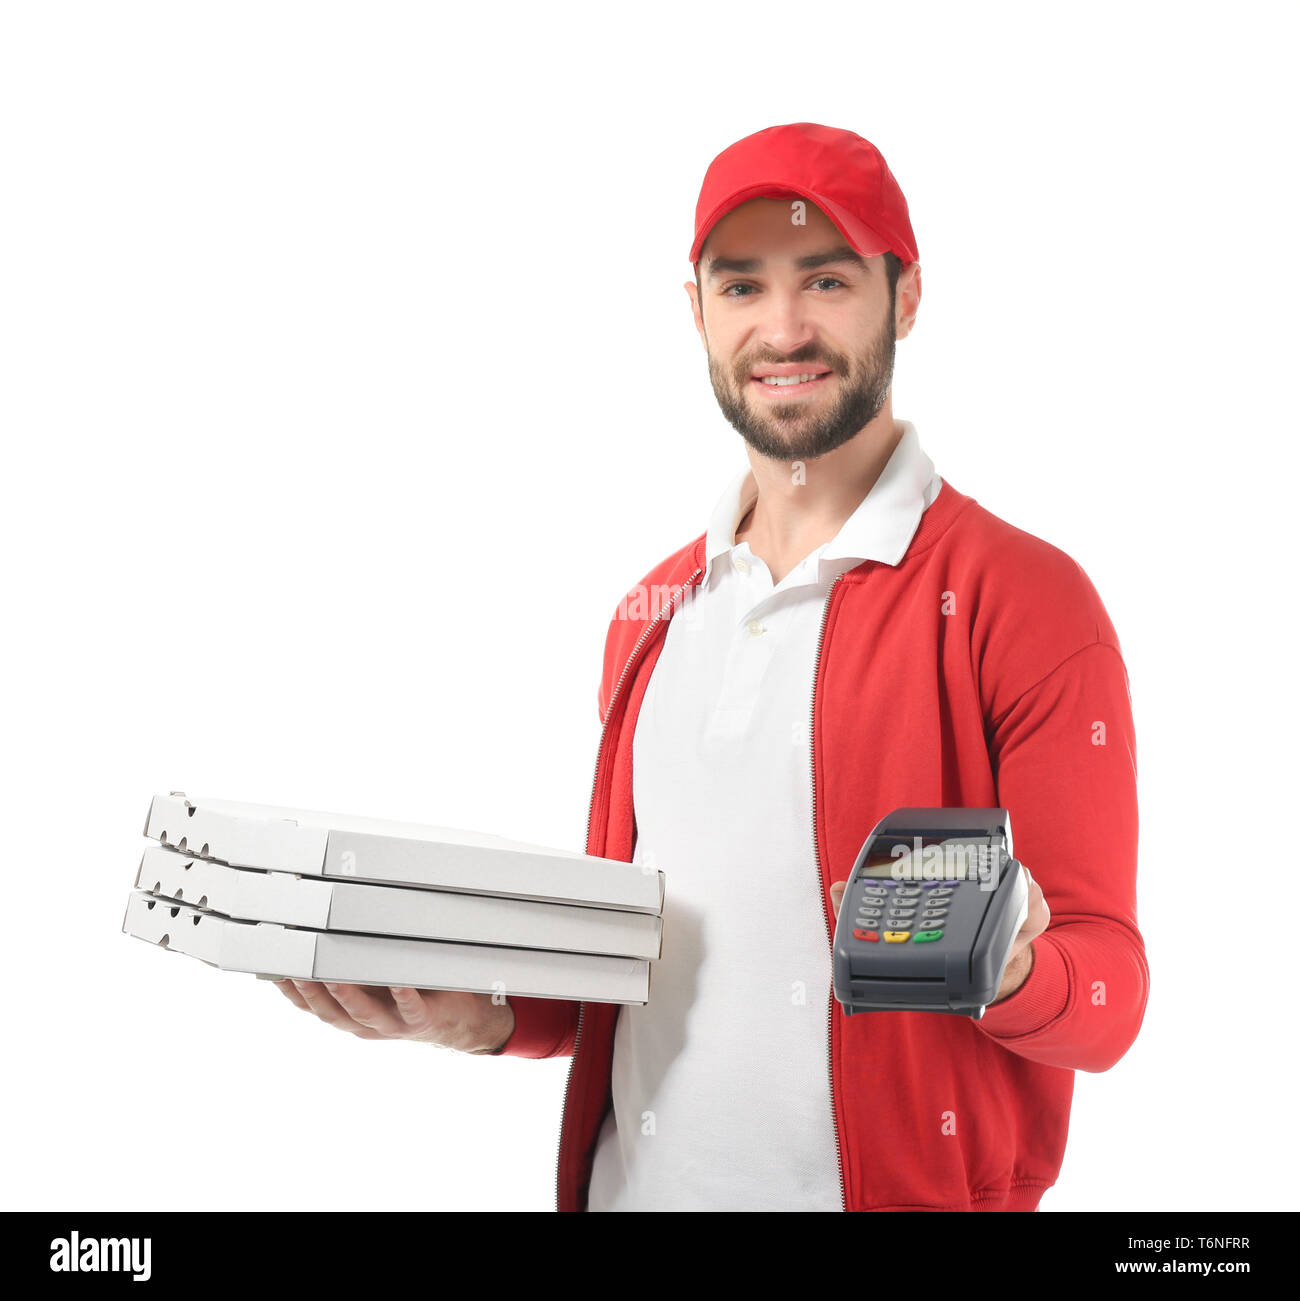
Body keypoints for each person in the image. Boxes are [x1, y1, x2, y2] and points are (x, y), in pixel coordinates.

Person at [275, 122, 1149, 1212]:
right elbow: (638, 977)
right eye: (741, 288)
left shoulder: (1022, 599)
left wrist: (1011, 965)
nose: (782, 329)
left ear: (906, 296)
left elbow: (1108, 993)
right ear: (695, 309)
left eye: (826, 279)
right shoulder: (650, 614)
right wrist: (483, 1010)